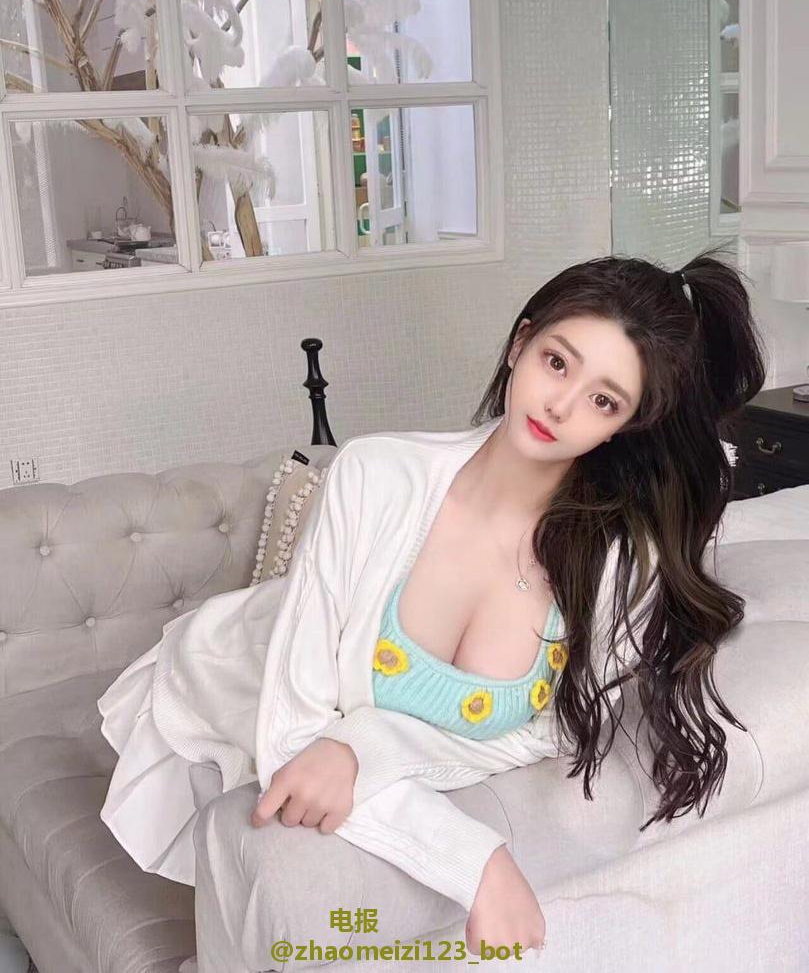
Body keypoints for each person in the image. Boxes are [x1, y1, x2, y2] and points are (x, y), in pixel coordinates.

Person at [97, 247, 767, 960]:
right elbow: (293, 732)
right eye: (556, 362)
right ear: (519, 344)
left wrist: (360, 748)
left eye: (604, 400)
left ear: (624, 426)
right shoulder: (373, 474)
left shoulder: (618, 567)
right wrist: (473, 860)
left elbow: (545, 733)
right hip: (230, 672)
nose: (560, 405)